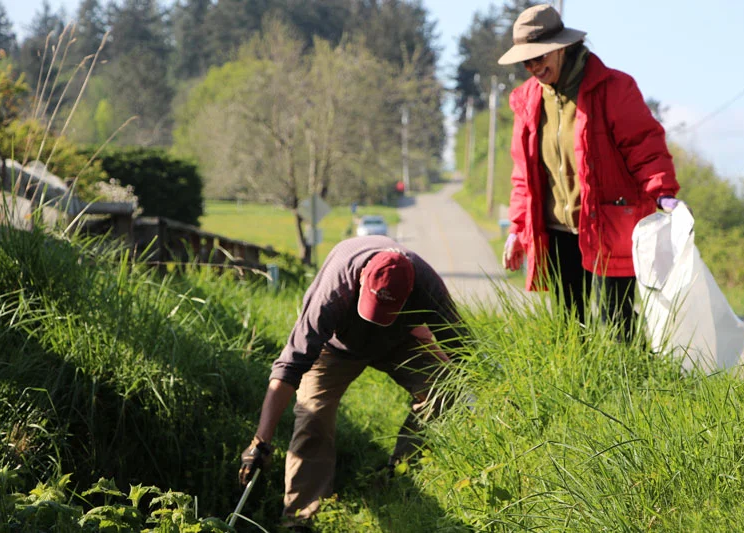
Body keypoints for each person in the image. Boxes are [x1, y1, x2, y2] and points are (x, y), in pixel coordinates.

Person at [238, 235, 466, 528]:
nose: (374, 319)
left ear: (410, 292)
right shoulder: (332, 292)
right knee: (312, 417)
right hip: (336, 346)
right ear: (361, 278)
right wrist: (261, 442)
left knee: (444, 390)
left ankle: (399, 478)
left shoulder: (428, 286)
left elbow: (465, 356)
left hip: (399, 340)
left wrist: (492, 398)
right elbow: (289, 367)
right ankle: (301, 519)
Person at [498, 4, 681, 338]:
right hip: (556, 230)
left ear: (563, 48)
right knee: (570, 324)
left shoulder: (613, 88)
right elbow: (523, 175)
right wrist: (517, 228)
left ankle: (634, 384)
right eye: (527, 61)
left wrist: (663, 192)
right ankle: (579, 386)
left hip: (608, 222)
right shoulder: (526, 100)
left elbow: (644, 146)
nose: (534, 67)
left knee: (617, 322)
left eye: (539, 57)